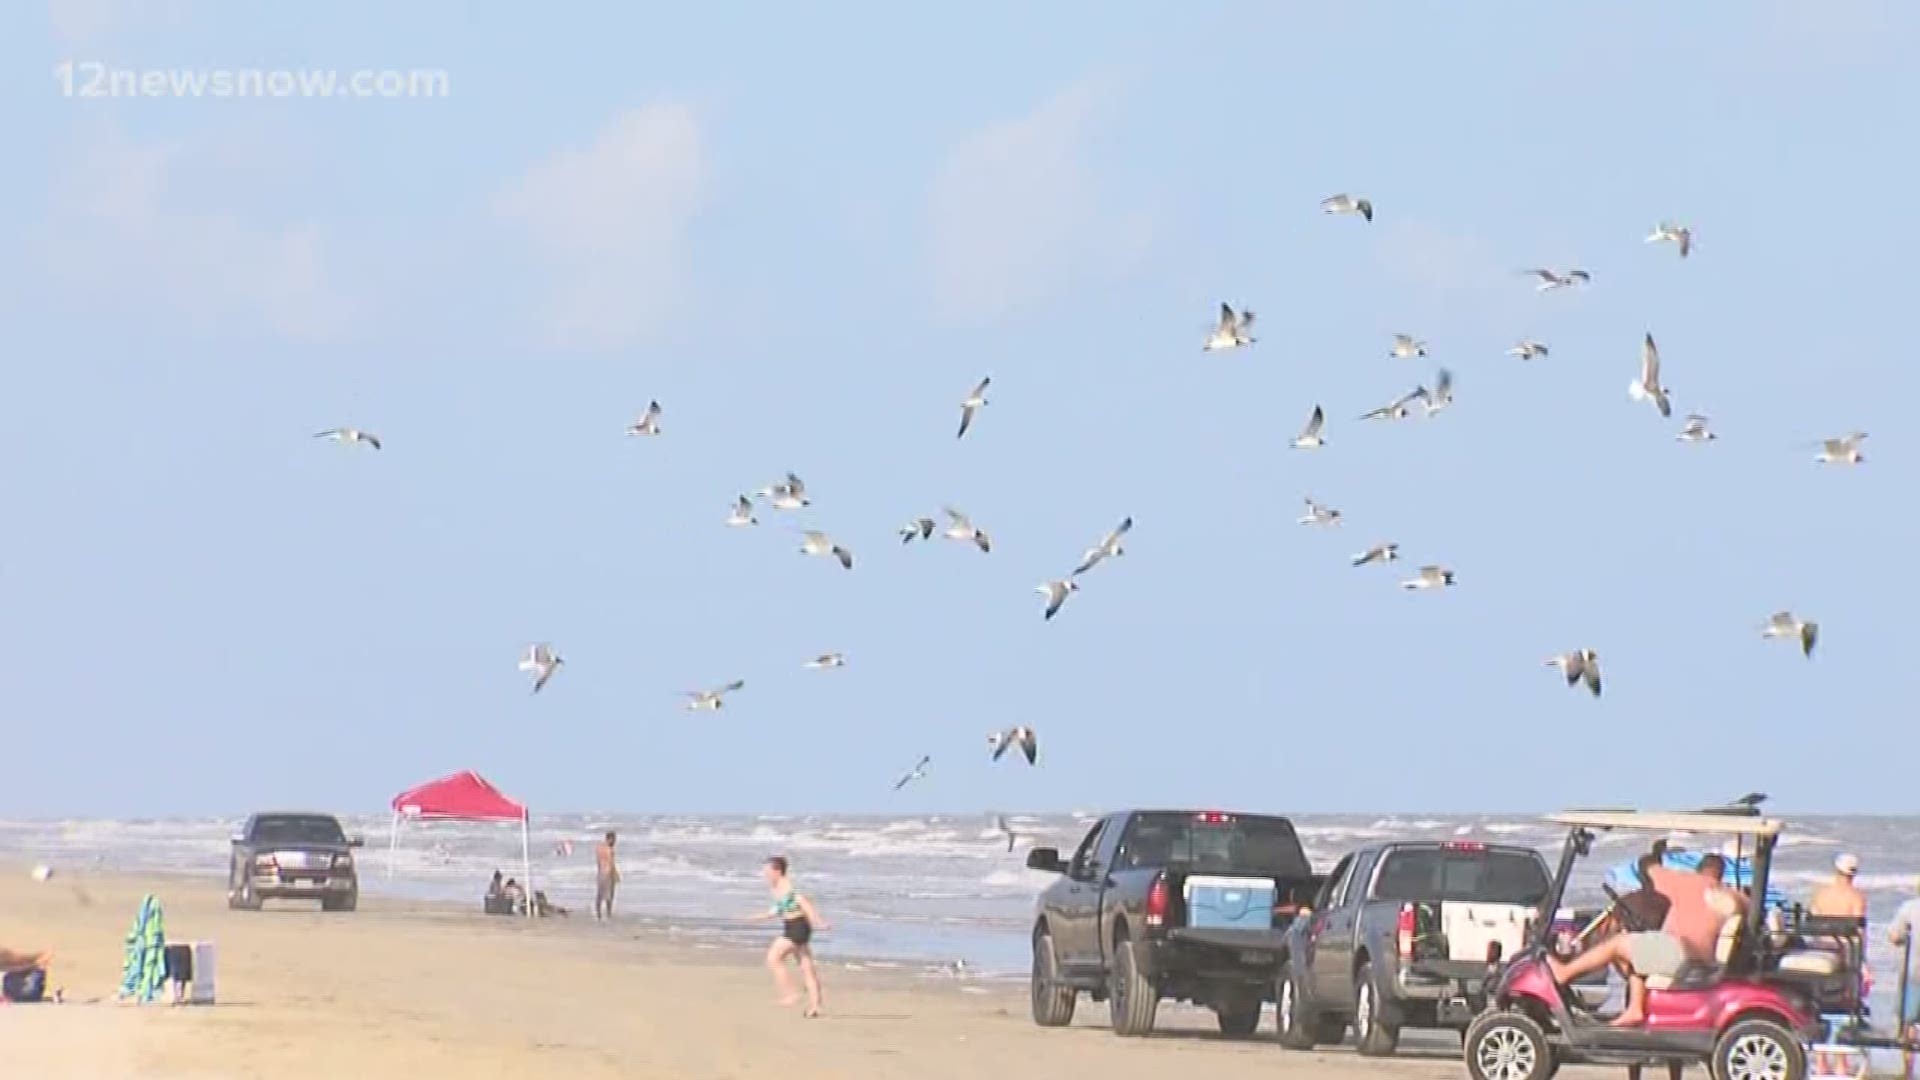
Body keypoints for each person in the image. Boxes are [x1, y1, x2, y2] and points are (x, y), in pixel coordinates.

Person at [1548, 850, 1733, 1027]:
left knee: (1617, 943)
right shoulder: (1731, 895)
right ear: (1721, 874)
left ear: (1699, 869)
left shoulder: (1684, 882)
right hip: (1706, 961)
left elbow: (1648, 866)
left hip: (1683, 954)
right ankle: (1635, 1008)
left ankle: (1564, 972)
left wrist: (1653, 856)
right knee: (1638, 945)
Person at [749, 855, 829, 1018]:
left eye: (767, 870)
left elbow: (803, 902)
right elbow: (779, 909)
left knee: (774, 958)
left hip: (797, 927)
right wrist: (758, 917)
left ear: (777, 871)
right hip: (797, 926)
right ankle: (815, 1006)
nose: (765, 874)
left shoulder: (786, 886)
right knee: (806, 967)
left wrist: (818, 921)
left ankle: (791, 994)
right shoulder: (776, 887)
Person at [1889, 878, 1920, 1076]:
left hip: (1915, 973)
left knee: (1909, 1022)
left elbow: (1894, 936)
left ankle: (1908, 1070)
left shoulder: (1910, 908)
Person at [1811, 853, 1867, 919]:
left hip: (1821, 929)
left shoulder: (1821, 894)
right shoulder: (1856, 897)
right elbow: (1858, 924)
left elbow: (1812, 920)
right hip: (1845, 929)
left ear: (1836, 869)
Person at [595, 831, 619, 921]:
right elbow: (611, 863)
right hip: (608, 873)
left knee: (599, 895)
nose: (615, 842)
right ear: (611, 839)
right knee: (610, 895)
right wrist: (615, 874)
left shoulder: (599, 848)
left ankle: (599, 915)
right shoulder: (610, 849)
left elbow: (598, 862)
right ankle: (609, 914)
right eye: (614, 840)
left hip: (601, 872)